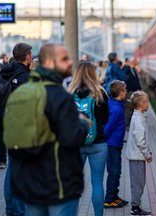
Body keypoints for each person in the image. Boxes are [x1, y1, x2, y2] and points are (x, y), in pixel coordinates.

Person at [8, 43, 89, 216]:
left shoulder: (21, 93)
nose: (70, 62)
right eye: (65, 59)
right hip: (58, 184)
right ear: (50, 63)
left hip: (29, 184)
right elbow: (71, 138)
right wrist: (82, 123)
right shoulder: (60, 96)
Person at [68, 61, 109, 216]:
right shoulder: (100, 93)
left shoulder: (70, 93)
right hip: (98, 143)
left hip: (76, 144)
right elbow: (105, 119)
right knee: (97, 183)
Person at [0, 43, 33, 216]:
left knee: (12, 169)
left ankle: (10, 209)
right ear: (27, 56)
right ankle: (19, 211)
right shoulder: (26, 77)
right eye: (31, 54)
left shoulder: (6, 72)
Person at [125, 91, 152, 216]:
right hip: (137, 156)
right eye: (147, 102)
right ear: (142, 104)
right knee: (138, 183)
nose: (148, 105)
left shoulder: (137, 116)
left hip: (135, 155)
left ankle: (136, 205)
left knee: (138, 182)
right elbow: (140, 140)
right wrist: (147, 154)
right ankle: (135, 207)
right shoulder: (139, 119)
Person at [103, 80, 129, 208]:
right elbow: (108, 128)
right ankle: (109, 199)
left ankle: (114, 196)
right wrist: (104, 140)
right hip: (112, 144)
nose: (127, 92)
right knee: (114, 172)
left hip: (116, 143)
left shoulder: (115, 103)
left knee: (117, 171)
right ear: (120, 92)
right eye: (125, 90)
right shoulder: (116, 109)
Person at [122, 57, 142, 126]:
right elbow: (124, 78)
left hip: (134, 91)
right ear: (131, 61)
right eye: (136, 60)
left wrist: (139, 88)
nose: (137, 61)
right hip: (129, 91)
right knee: (129, 108)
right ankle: (127, 124)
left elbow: (136, 80)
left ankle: (131, 124)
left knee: (133, 108)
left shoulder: (133, 69)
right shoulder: (127, 69)